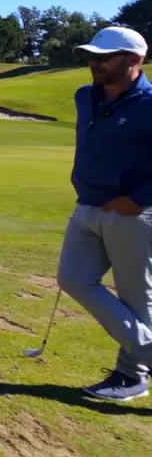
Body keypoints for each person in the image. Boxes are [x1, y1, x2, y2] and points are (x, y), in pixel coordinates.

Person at [56, 25, 152, 401]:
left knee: (136, 298)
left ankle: (132, 375)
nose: (95, 63)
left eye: (105, 57)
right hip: (87, 206)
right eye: (92, 56)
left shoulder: (149, 105)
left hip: (132, 214)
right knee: (73, 278)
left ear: (135, 59)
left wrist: (139, 198)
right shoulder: (85, 96)